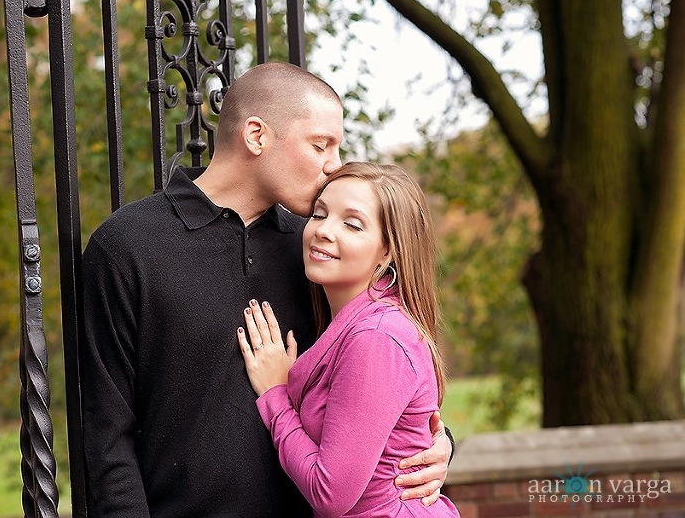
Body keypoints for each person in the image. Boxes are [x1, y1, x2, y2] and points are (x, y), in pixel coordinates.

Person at [81, 62, 452, 517]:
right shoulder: (129, 245)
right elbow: (107, 431)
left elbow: (380, 372)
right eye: (321, 145)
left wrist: (439, 441)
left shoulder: (318, 254)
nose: (333, 165)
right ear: (256, 136)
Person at [237, 162, 460, 517]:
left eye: (352, 224)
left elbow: (331, 495)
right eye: (319, 214)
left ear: (388, 252)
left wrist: (275, 395)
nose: (324, 230)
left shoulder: (376, 338)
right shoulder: (357, 320)